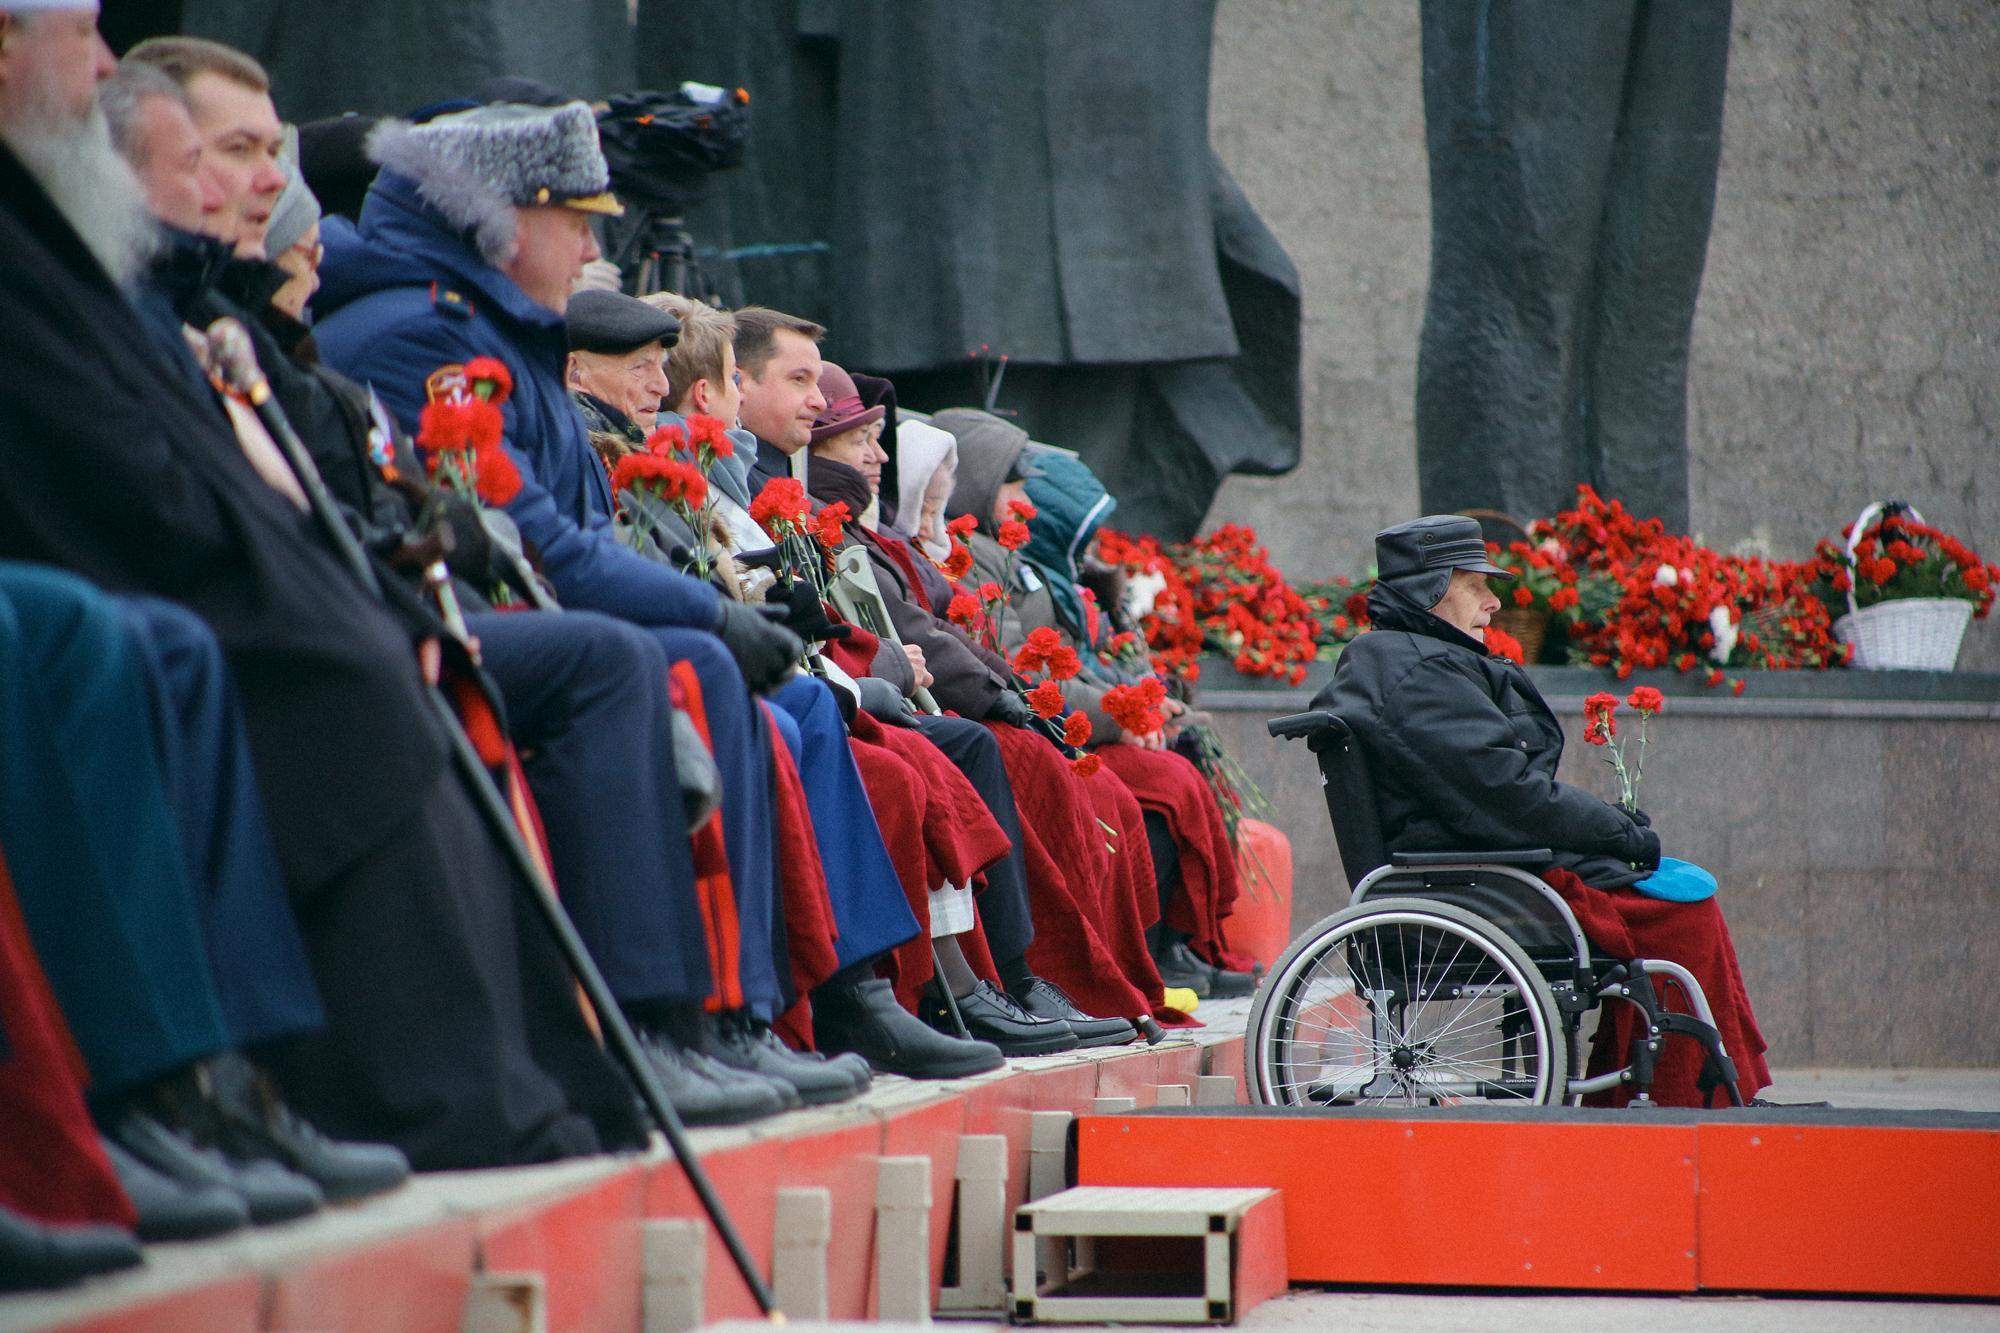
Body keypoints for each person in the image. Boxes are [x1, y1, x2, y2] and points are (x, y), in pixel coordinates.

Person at [0, 7, 642, 1169]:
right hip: (127, 562)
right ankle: (350, 1085)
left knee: (384, 654)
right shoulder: (403, 331)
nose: (253, 187)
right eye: (221, 154)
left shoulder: (203, 302)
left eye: (258, 154)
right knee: (342, 665)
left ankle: (591, 1051)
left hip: (195, 563)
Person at [309, 98, 999, 1078]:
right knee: (667, 664)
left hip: (513, 607)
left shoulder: (491, 325)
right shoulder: (421, 335)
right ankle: (665, 1019)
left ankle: (773, 1009)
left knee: (756, 680)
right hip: (445, 618)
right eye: (573, 217)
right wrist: (712, 611)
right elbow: (533, 541)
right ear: (496, 219)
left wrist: (738, 609)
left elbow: (572, 535)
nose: (594, 245)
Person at [1311, 514, 1773, 1108]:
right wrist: (1619, 832)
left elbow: (1497, 789)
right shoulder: (1420, 672)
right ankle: (1683, 1099)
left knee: (1674, 889)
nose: (1494, 601)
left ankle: (1688, 1087)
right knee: (1683, 910)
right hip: (1482, 879)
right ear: (1432, 588)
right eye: (1476, 584)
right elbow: (1510, 795)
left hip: (1477, 864)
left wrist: (1611, 831)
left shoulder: (1411, 661)